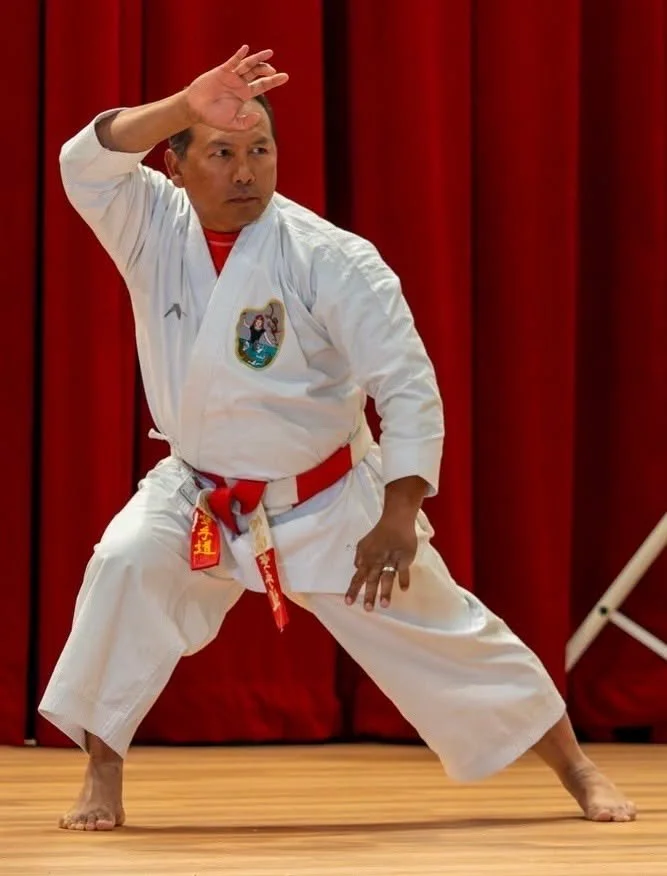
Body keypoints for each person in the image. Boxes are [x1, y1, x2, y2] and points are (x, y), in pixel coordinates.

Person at [39, 45, 636, 831]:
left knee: (450, 632)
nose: (246, 169)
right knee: (122, 567)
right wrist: (186, 102)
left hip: (325, 499)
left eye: (260, 150)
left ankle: (577, 769)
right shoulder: (151, 220)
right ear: (178, 164)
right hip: (201, 493)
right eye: (222, 152)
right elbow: (83, 160)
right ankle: (102, 775)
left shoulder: (332, 259)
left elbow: (407, 387)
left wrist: (396, 515)